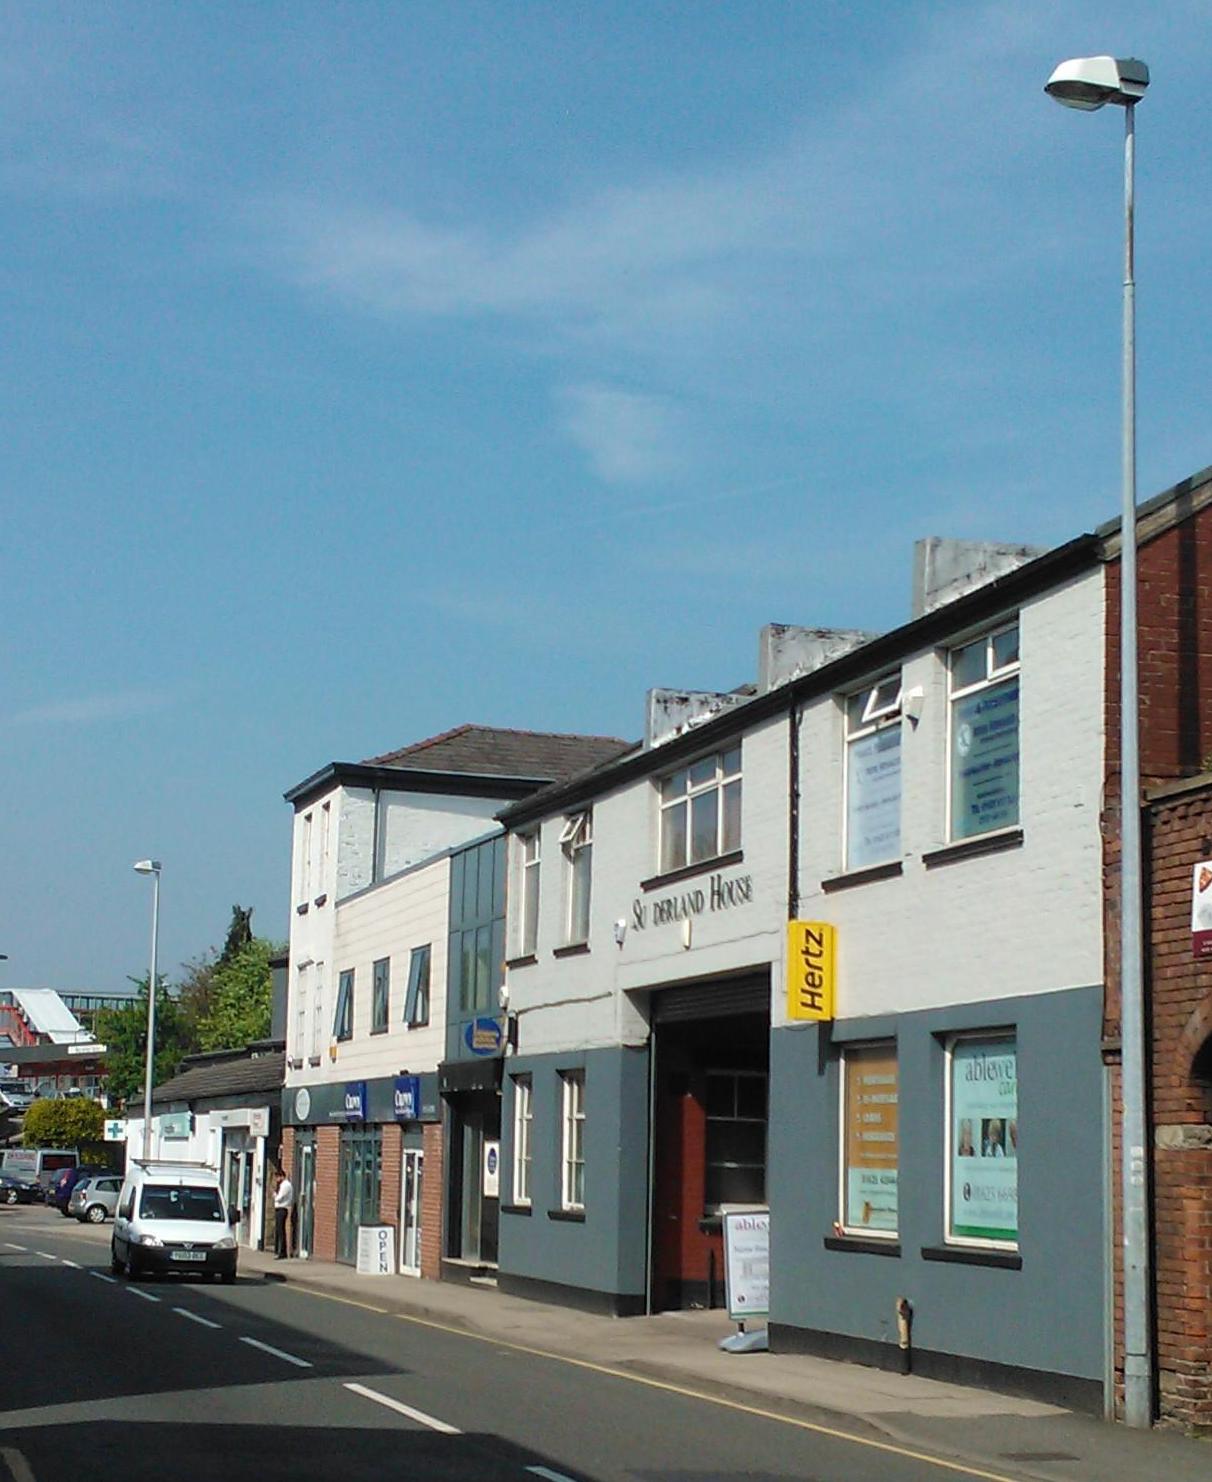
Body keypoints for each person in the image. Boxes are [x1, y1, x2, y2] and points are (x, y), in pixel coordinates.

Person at [273, 1167, 294, 1259]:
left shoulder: (285, 1185)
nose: (277, 1180)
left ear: (281, 1176)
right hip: (280, 1209)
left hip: (282, 1209)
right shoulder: (283, 1185)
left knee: (281, 1231)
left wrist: (275, 1195)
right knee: (278, 1230)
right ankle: (278, 1250)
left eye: (277, 1177)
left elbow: (279, 1198)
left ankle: (282, 1251)